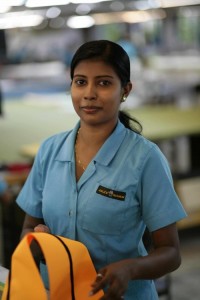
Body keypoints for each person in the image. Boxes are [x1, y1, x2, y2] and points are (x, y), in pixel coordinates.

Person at [16, 40, 187, 300]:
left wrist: (132, 268)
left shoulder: (144, 159)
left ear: (125, 90)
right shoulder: (50, 150)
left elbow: (171, 252)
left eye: (104, 83)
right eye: (80, 81)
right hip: (57, 293)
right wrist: (37, 242)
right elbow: (29, 227)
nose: (89, 93)